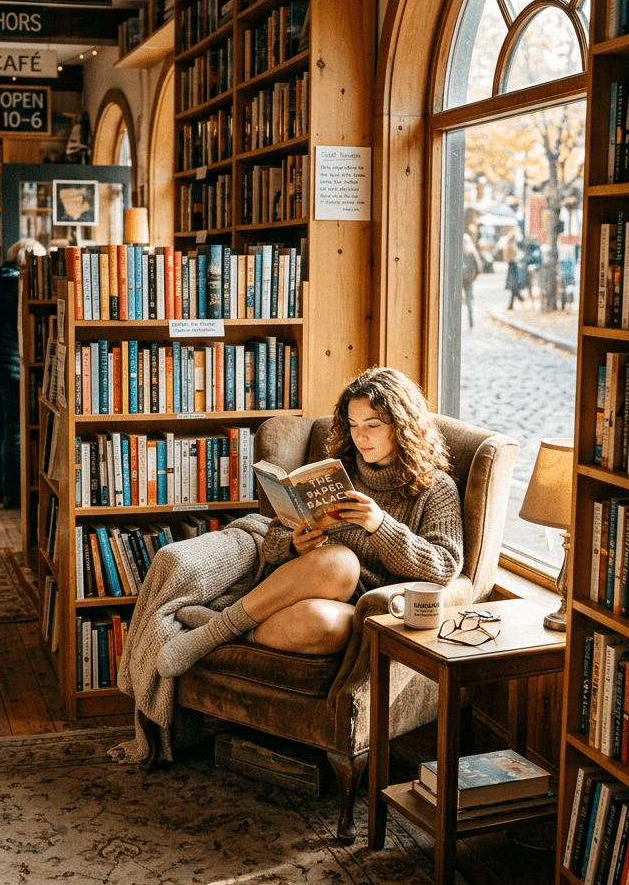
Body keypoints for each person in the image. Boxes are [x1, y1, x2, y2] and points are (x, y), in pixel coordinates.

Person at [154, 366, 464, 678]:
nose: (361, 437)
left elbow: (445, 567)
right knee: (339, 561)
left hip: (366, 604)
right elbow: (272, 546)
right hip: (309, 581)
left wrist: (381, 526)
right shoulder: (337, 472)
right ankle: (211, 636)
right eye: (354, 425)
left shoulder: (436, 487)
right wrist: (293, 544)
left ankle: (219, 626)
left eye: (373, 425)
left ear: (402, 425)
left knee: (321, 623)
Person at [0, 238, 45, 507]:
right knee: (15, 430)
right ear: (32, 260)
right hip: (11, 363)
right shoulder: (22, 283)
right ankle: (14, 496)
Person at [461, 230, 480, 329]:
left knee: (467, 301)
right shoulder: (469, 252)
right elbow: (478, 268)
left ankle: (470, 319)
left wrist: (472, 278)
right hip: (465, 280)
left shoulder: (469, 253)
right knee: (467, 301)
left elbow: (478, 268)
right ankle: (470, 319)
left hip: (466, 281)